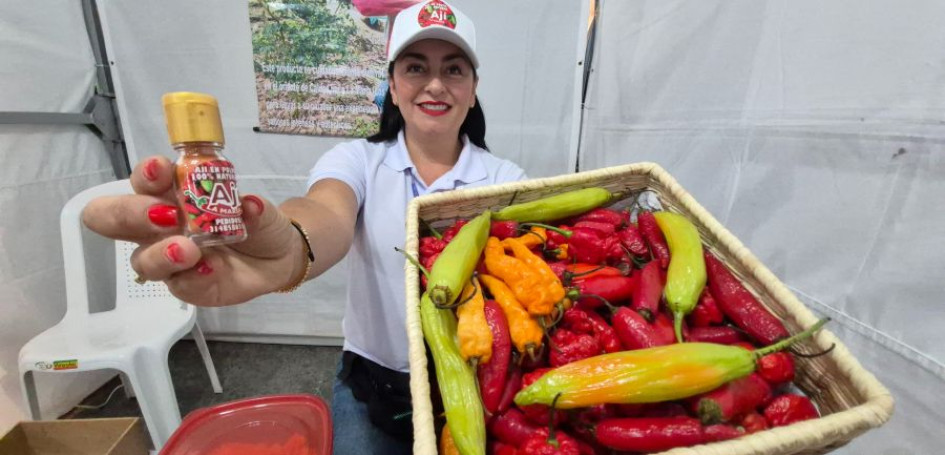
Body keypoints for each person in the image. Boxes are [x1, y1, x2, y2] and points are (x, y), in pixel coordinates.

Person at [81, 1, 526, 453]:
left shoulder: (507, 180)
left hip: (479, 382)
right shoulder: (357, 161)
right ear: (392, 86)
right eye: (416, 67)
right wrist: (290, 250)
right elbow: (324, 213)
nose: (434, 84)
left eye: (453, 70)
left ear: (473, 90)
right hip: (373, 379)